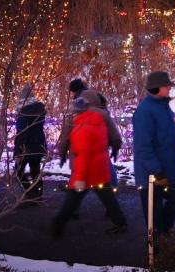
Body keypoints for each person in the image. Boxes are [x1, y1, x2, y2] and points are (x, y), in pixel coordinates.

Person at [50, 93, 127, 237]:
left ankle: (57, 225)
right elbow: (113, 137)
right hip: (100, 168)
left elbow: (83, 154)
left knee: (72, 200)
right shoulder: (99, 119)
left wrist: (78, 177)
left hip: (86, 172)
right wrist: (115, 147)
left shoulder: (81, 127)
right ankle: (120, 223)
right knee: (107, 197)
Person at [133, 71, 175, 248]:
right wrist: (156, 170)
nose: (169, 87)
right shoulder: (145, 111)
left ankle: (162, 237)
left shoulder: (163, 107)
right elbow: (143, 146)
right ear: (157, 88)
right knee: (154, 217)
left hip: (167, 170)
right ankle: (155, 259)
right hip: (151, 176)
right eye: (166, 85)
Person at [14, 84, 47, 203]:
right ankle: (38, 193)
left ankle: (31, 193)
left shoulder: (23, 112)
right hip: (38, 143)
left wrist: (19, 149)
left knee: (18, 170)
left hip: (25, 145)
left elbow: (21, 130)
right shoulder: (40, 109)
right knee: (35, 170)